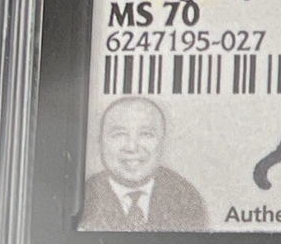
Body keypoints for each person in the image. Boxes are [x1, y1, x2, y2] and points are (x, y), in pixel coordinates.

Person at [78, 97, 207, 231]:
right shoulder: (83, 196)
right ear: (100, 141)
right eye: (119, 134)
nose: (132, 147)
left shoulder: (186, 198)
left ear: (163, 142)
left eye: (146, 134)